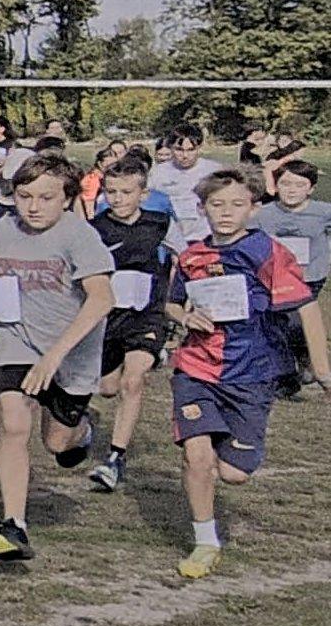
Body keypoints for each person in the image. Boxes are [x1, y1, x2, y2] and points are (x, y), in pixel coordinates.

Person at [166, 169, 329, 578]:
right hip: (196, 367)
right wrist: (184, 316)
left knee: (234, 473)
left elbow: (307, 309)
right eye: (217, 204)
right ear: (202, 209)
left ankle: (229, 446)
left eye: (237, 204)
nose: (226, 212)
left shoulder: (266, 251)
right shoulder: (191, 256)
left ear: (254, 209)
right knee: (196, 456)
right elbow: (172, 303)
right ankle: (205, 542)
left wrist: (323, 373)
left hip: (251, 374)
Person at [0, 156, 114, 562]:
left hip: (71, 352)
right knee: (13, 423)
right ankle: (13, 525)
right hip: (18, 339)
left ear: (67, 198)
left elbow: (102, 299)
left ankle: (82, 430)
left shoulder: (80, 237)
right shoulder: (6, 229)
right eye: (25, 196)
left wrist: (54, 357)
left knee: (57, 442)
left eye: (45, 198)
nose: (33, 207)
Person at [86, 158, 172, 492]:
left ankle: (114, 458)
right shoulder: (95, 229)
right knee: (108, 388)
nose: (118, 198)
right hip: (109, 317)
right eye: (111, 192)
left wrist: (178, 300)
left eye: (126, 192)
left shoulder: (160, 224)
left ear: (143, 194)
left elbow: (185, 257)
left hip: (147, 316)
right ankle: (89, 422)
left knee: (133, 381)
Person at [250, 157, 331, 399]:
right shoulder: (263, 214)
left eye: (299, 185)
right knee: (279, 326)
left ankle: (299, 367)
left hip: (310, 277)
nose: (292, 190)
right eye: (285, 184)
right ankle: (293, 372)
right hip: (274, 280)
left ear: (311, 188)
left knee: (295, 323)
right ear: (275, 186)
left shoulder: (323, 212)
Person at [145, 124, 221, 253]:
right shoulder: (158, 173)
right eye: (179, 149)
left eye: (191, 150)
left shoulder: (214, 170)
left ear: (199, 147)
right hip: (170, 239)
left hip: (204, 235)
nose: (185, 155)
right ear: (170, 147)